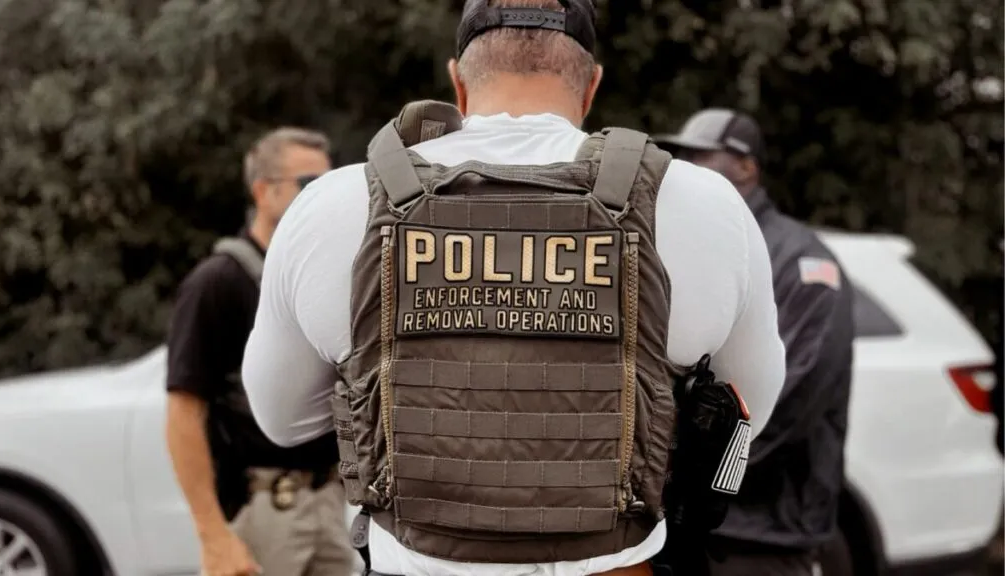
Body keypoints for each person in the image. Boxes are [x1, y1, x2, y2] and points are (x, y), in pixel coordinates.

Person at [240, 2, 787, 575]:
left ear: (457, 81)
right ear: (591, 85)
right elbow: (745, 411)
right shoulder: (706, 205)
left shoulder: (331, 206)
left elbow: (282, 421)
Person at [655, 109, 856, 576]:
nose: (684, 167)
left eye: (699, 156)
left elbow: (791, 398)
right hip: (691, 526)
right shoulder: (702, 247)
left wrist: (692, 474)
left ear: (746, 167)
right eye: (680, 155)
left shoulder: (803, 262)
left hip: (763, 534)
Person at [165, 127, 358, 576]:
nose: (321, 197)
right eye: (308, 184)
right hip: (263, 506)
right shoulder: (218, 282)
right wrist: (213, 537)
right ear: (262, 191)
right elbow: (183, 415)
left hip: (329, 502)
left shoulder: (322, 276)